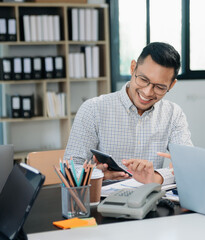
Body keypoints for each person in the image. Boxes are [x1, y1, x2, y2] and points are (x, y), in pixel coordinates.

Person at [64, 42, 192, 185]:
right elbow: (70, 168)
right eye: (143, 80)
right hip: (103, 203)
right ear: (133, 68)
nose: (147, 92)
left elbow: (188, 165)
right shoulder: (93, 109)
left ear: (171, 85)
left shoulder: (173, 114)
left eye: (160, 87)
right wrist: (98, 174)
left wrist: (156, 177)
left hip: (152, 201)